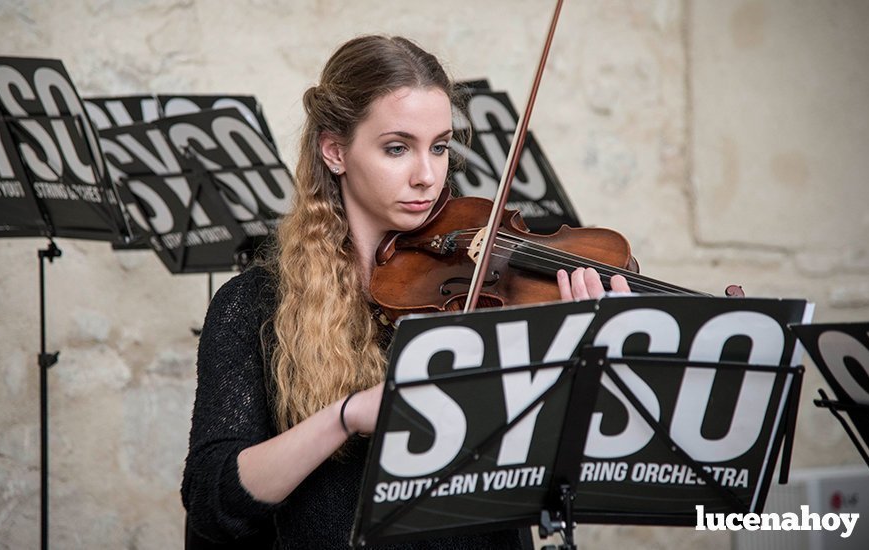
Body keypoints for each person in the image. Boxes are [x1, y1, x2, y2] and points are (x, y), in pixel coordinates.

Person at [181, 35, 629, 549]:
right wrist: (346, 416)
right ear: (334, 151)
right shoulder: (254, 305)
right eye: (397, 148)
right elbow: (214, 505)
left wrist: (577, 356)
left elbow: (543, 474)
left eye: (439, 147)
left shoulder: (485, 294)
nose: (427, 176)